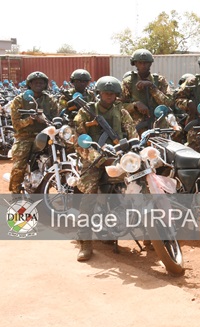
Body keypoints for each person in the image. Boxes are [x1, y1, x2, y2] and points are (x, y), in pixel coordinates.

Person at [72, 76, 138, 261]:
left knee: (140, 181)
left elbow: (133, 134)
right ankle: (85, 242)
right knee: (90, 194)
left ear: (117, 95)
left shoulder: (122, 112)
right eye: (105, 93)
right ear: (99, 93)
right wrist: (97, 157)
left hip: (117, 156)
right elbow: (78, 142)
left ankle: (151, 234)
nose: (109, 96)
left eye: (112, 93)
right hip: (94, 158)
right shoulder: (86, 113)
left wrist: (134, 151)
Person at [8, 71, 59, 194]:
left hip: (46, 135)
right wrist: (29, 120)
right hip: (25, 137)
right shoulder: (19, 100)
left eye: (41, 82)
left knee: (65, 151)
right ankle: (15, 193)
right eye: (35, 82)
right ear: (29, 84)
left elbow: (56, 118)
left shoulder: (50, 100)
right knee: (19, 165)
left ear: (45, 84)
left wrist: (45, 120)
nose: (38, 84)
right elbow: (16, 124)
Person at [121, 48, 172, 132]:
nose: (143, 65)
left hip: (158, 125)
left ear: (150, 64)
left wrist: (152, 87)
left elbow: (168, 102)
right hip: (136, 128)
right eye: (140, 63)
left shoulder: (159, 81)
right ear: (135, 64)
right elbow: (119, 106)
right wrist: (135, 105)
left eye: (146, 63)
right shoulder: (128, 82)